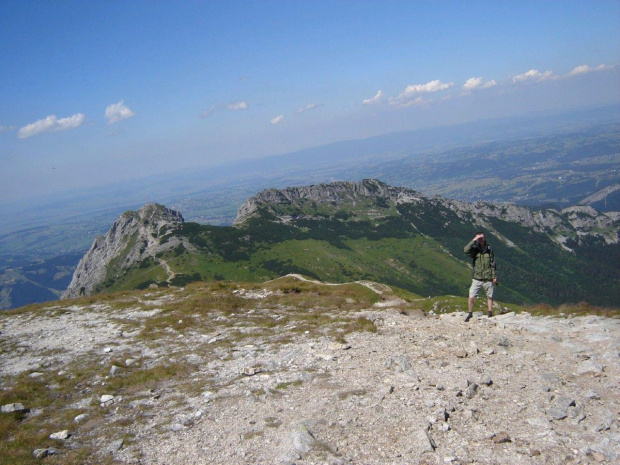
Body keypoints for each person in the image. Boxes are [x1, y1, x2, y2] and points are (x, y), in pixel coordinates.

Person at [464, 232, 497, 322]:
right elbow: (466, 250)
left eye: (481, 238)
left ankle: (490, 312)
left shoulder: (489, 249)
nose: (480, 239)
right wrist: (473, 240)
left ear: (484, 238)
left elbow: (493, 263)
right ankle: (470, 313)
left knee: (489, 296)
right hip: (477, 277)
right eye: (479, 238)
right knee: (471, 296)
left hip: (488, 277)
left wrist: (494, 276)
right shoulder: (475, 250)